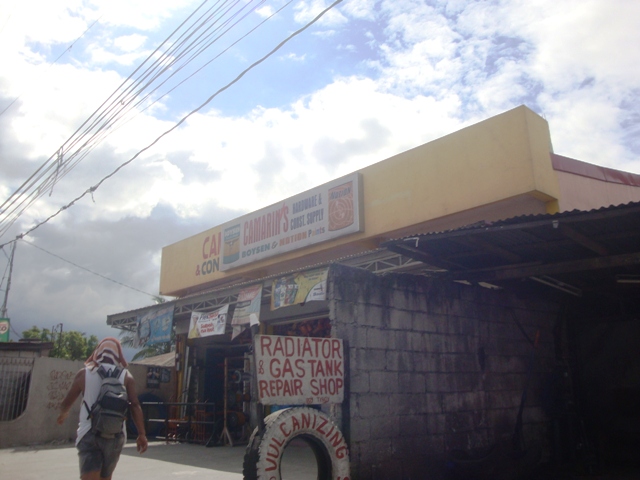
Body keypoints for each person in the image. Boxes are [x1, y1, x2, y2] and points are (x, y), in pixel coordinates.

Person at [57, 337, 148, 480]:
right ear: (118, 354)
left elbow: (66, 402)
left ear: (97, 352)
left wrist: (63, 414)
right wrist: (141, 434)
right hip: (115, 435)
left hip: (89, 433)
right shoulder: (126, 376)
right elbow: (135, 405)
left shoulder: (84, 374)